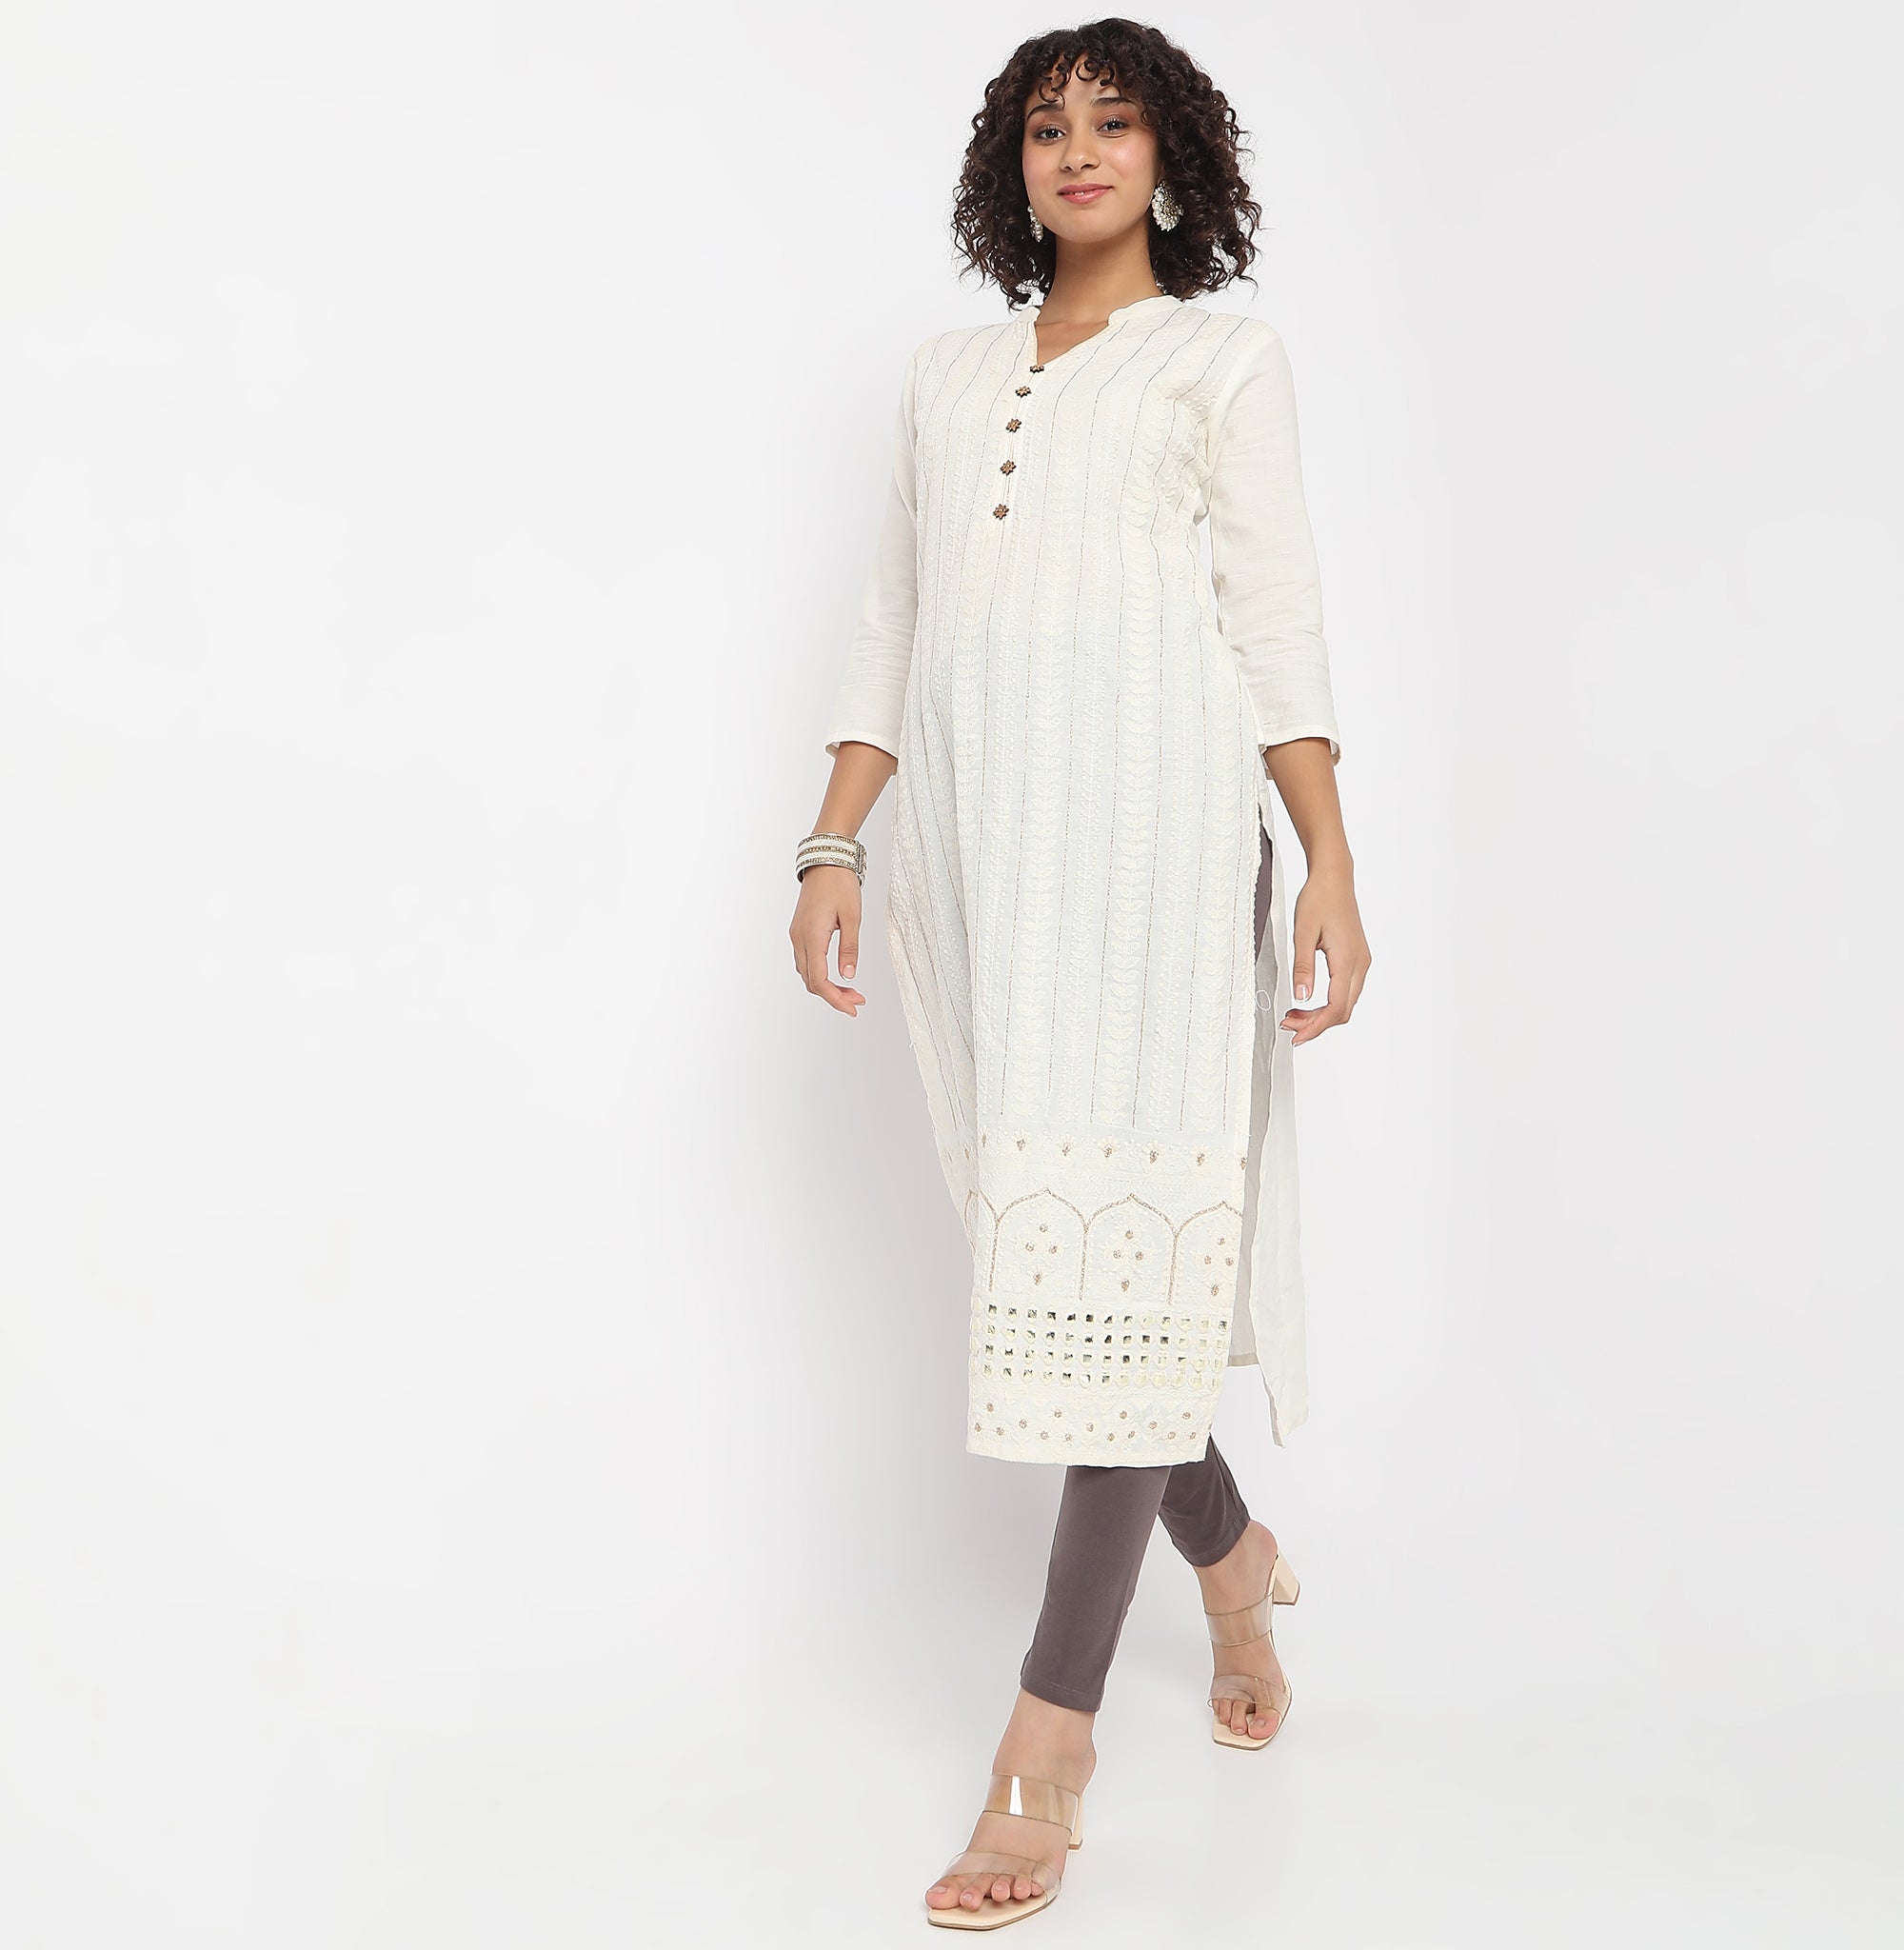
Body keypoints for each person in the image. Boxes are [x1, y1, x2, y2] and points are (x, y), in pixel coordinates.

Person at [788, 20, 1370, 1930]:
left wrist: (1329, 862)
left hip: (1158, 856)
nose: (1080, 151)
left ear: (1172, 155)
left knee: (1119, 1268)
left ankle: (1046, 1745)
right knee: (1069, 1275)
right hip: (987, 868)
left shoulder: (1221, 358)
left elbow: (1273, 612)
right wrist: (833, 840)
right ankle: (1232, 1555)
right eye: (1048, 127)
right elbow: (893, 614)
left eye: (1116, 122)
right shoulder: (947, 376)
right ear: (1010, 164)